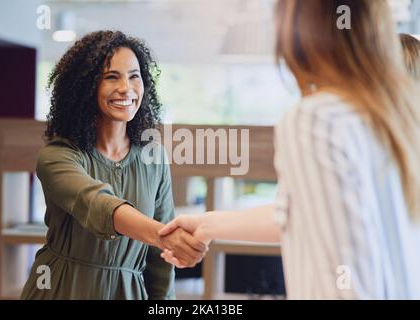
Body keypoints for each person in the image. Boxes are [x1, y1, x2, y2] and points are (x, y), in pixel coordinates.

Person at [160, 0, 420, 299]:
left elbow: (344, 261)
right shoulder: (391, 122)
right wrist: (209, 224)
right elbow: (304, 214)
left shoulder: (318, 118)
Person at [20, 31, 207, 300]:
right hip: (63, 288)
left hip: (127, 291)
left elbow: (160, 260)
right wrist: (163, 236)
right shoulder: (58, 155)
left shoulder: (153, 159)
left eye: (134, 76)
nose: (126, 88)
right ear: (86, 87)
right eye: (111, 77)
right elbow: (96, 203)